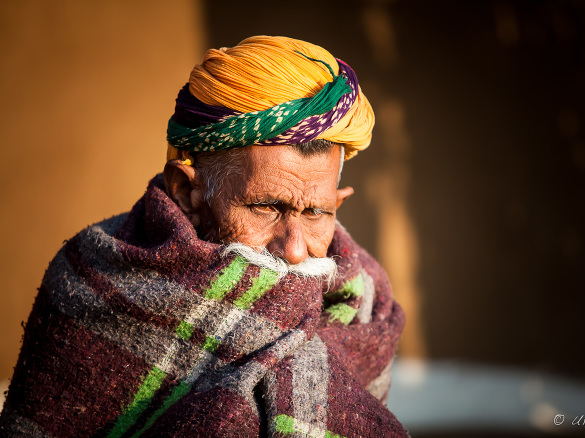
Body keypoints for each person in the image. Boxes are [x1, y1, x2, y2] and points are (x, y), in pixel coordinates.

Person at [0, 36, 406, 437]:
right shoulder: (90, 278)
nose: (296, 251)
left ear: (338, 201)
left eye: (316, 211)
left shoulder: (365, 297)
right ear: (187, 192)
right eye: (265, 207)